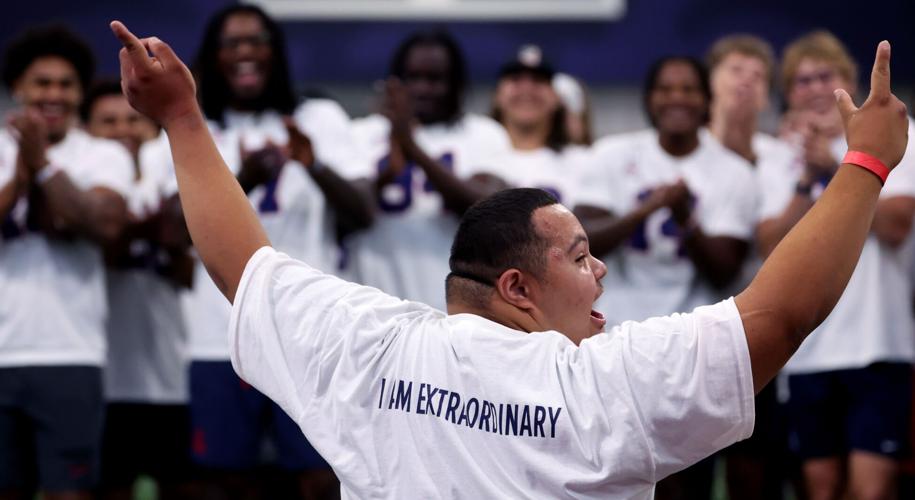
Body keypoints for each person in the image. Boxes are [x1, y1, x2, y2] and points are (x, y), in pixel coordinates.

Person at [111, 20, 909, 499]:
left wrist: (182, 119)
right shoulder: (603, 384)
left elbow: (241, 265)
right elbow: (781, 311)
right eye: (581, 256)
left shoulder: (370, 346)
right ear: (518, 286)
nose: (600, 273)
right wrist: (866, 166)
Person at [183, 5, 369, 498]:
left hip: (309, 333)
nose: (245, 52)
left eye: (256, 40)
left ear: (276, 51)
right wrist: (243, 180)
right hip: (218, 330)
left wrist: (314, 165)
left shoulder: (318, 117)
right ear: (212, 56)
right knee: (225, 479)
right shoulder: (194, 125)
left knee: (320, 475)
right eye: (231, 43)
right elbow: (170, 230)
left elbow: (364, 212)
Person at [760, 31, 915, 500]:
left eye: (824, 77)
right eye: (801, 81)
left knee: (871, 491)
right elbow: (770, 245)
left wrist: (836, 165)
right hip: (805, 350)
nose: (813, 89)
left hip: (878, 342)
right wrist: (806, 178)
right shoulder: (777, 158)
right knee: (818, 489)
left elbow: (896, 223)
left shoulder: (897, 137)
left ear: (850, 81)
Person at [0, 25, 133, 499]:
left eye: (65, 83)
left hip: (70, 353)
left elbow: (106, 224)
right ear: (17, 88)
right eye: (41, 82)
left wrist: (44, 168)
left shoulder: (102, 154)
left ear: (80, 93)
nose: (53, 94)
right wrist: (20, 175)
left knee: (69, 494)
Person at [574, 56, 757, 335]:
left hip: (696, 330)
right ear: (648, 99)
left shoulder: (734, 172)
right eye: (666, 89)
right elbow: (581, 244)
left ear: (707, 99)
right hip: (616, 325)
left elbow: (724, 273)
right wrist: (644, 211)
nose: (677, 98)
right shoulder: (610, 154)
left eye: (688, 90)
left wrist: (685, 219)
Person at [81, 80, 196, 500]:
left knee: (185, 486)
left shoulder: (169, 180)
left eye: (134, 120)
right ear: (86, 131)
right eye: (107, 122)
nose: (122, 130)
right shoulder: (82, 190)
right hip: (104, 374)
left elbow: (188, 273)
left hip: (170, 371)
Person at [347, 30, 511, 310]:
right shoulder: (361, 133)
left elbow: (487, 210)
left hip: (452, 310)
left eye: (435, 79)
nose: (422, 88)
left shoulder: (483, 134)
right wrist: (386, 176)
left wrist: (411, 146)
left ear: (455, 84)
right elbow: (347, 213)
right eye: (413, 78)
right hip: (373, 305)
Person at [705, 34, 799, 500]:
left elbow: (775, 243)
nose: (747, 83)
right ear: (711, 82)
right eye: (736, 70)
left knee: (755, 473)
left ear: (767, 95)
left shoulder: (783, 159)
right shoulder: (688, 151)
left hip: (759, 332)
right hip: (695, 327)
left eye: (758, 76)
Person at [488, 44, 593, 204]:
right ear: (497, 95)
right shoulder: (474, 158)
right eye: (515, 79)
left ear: (557, 98)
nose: (527, 89)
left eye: (538, 80)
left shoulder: (585, 163)